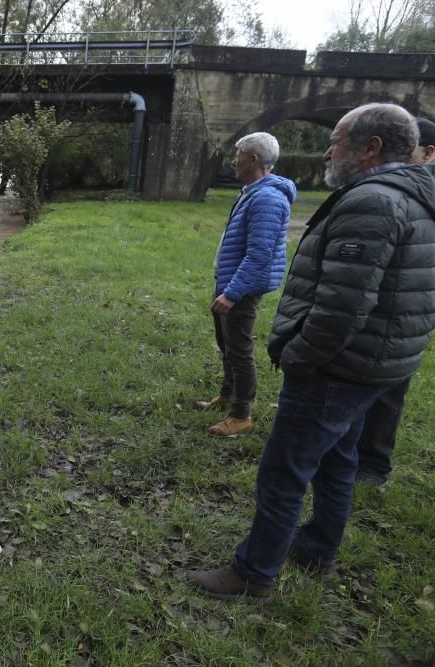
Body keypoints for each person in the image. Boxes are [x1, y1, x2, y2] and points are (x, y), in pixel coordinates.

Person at [186, 103, 435, 601]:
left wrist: (301, 354)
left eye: (338, 140)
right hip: (379, 363)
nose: (327, 149)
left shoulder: (374, 203)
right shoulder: (414, 194)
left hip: (338, 367)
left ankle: (254, 573)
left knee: (284, 468)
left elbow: (343, 303)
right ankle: (318, 548)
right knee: (339, 458)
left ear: (371, 148)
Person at [197, 132, 295, 437]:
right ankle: (228, 396)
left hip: (240, 288)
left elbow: (259, 256)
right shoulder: (252, 191)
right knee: (227, 346)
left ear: (254, 158)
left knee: (239, 350)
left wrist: (232, 293)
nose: (233, 161)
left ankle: (241, 415)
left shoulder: (266, 198)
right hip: (229, 282)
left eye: (238, 154)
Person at [355, 116, 435, 485]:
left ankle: (373, 464)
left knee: (389, 389)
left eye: (410, 151)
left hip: (406, 308)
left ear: (428, 153)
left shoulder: (420, 195)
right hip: (395, 302)